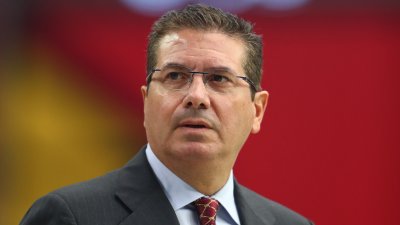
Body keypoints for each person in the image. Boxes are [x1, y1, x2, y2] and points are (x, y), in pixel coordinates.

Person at [20, 4, 313, 225]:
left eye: (219, 79)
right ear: (146, 103)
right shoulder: (70, 216)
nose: (196, 97)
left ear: (257, 110)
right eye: (175, 76)